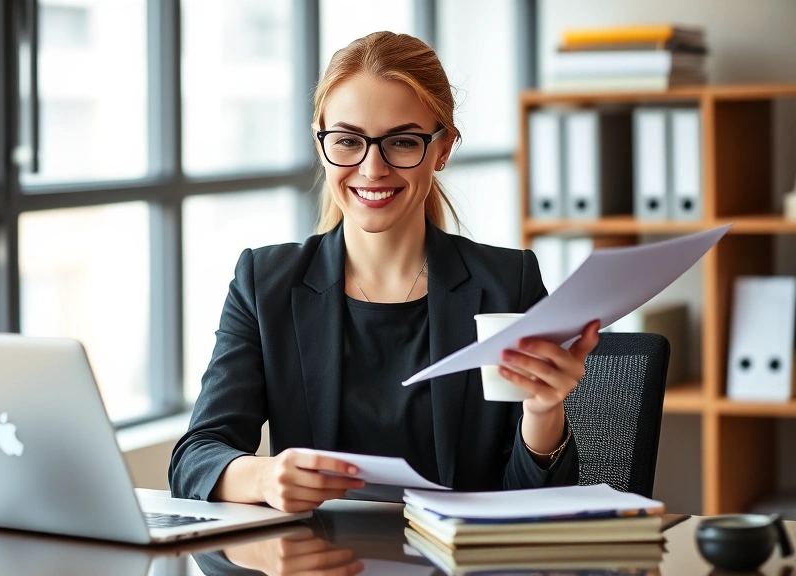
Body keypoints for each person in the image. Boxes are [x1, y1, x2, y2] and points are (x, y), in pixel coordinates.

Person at [169, 31, 599, 513]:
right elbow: (195, 458)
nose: (372, 168)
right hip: (317, 562)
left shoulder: (507, 282)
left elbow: (539, 505)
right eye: (348, 140)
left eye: (401, 142)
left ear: (442, 148)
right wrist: (264, 478)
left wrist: (543, 411)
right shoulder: (265, 282)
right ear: (321, 143)